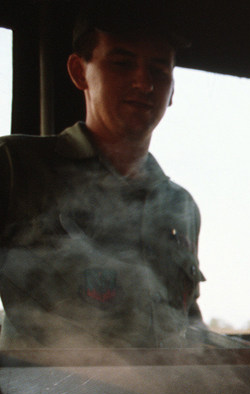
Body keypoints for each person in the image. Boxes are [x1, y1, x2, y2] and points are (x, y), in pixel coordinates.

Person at [0, 3, 210, 349]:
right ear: (79, 72)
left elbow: (188, 329)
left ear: (172, 91)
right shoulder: (16, 168)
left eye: (159, 70)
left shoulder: (180, 206)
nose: (143, 82)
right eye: (122, 63)